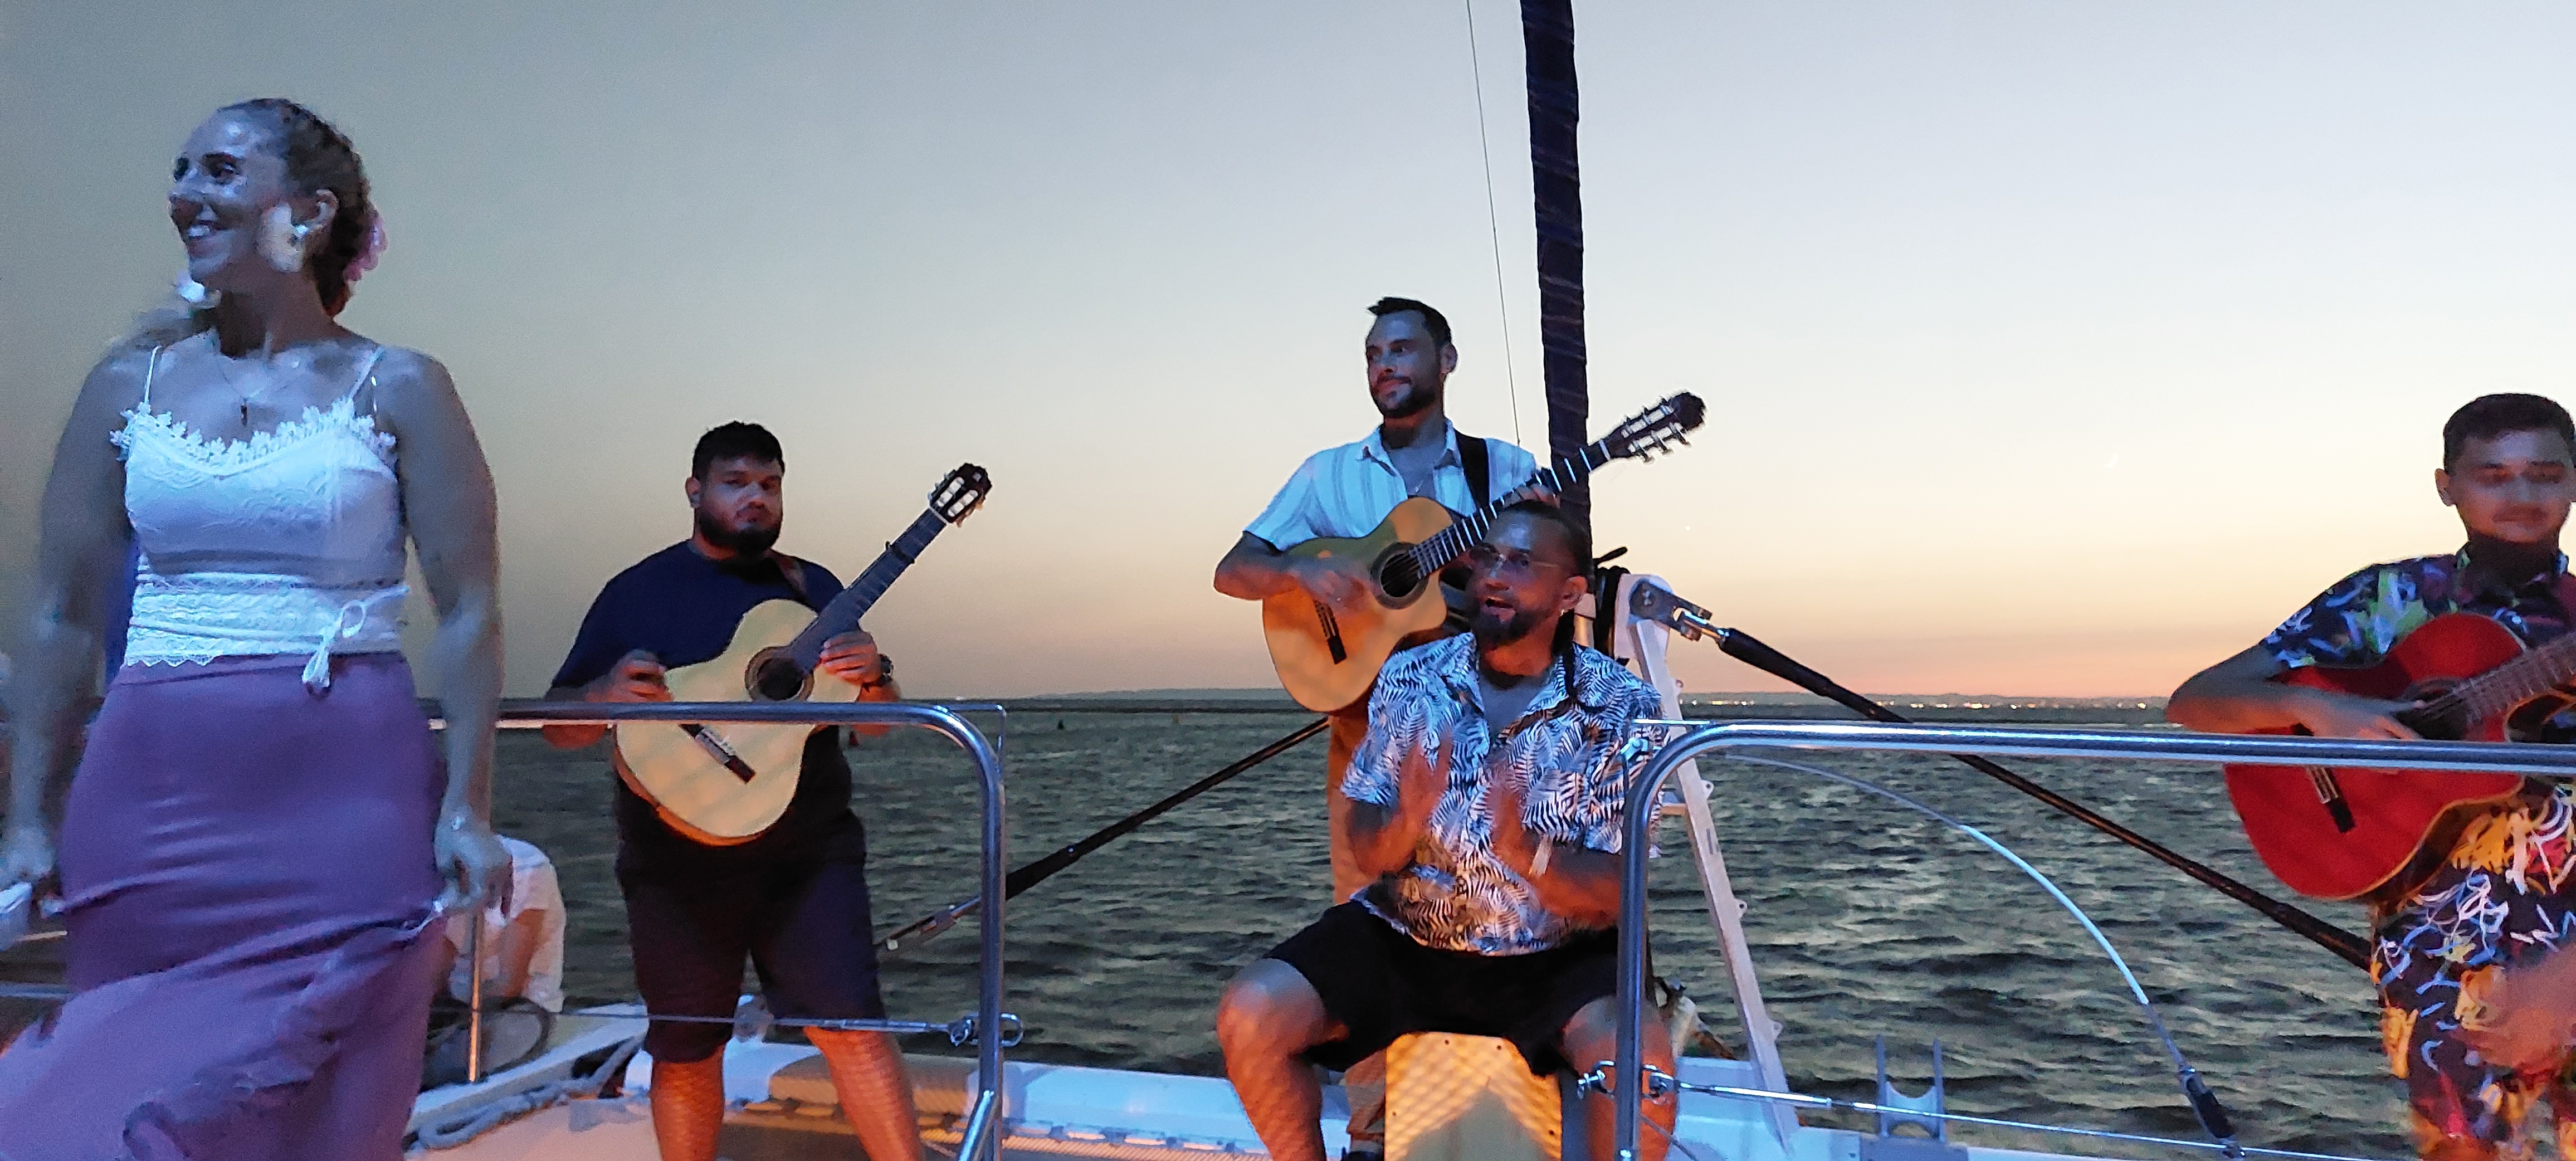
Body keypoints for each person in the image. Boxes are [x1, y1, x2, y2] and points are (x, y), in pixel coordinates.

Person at [0, 99, 510, 1158]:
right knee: (123, 1084)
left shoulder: (401, 385)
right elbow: (58, 614)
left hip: (345, 799)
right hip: (147, 805)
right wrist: (29, 816)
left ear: (309, 214)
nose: (185, 193)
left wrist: (468, 805)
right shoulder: (125, 385)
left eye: (221, 171)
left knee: (326, 1100)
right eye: (182, 169)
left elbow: (467, 611)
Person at [2169, 393, 2576, 1161]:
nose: (2521, 494)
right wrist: (2319, 710)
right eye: (2492, 475)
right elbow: (2198, 699)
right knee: (2462, 1150)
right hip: (2435, 941)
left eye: (2545, 474)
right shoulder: (2388, 600)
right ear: (2446, 485)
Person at [1216, 501, 1676, 1161]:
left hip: (1550, 957)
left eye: (1521, 562)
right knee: (1251, 1012)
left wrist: (1528, 853)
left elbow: (1613, 893)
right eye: (1487, 557)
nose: (1493, 575)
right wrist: (1403, 820)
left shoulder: (1621, 706)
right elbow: (1366, 847)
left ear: (1569, 592)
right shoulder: (1411, 675)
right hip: (1406, 939)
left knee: (1640, 1071)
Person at [1213, 297, 1540, 1157]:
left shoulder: (1504, 468)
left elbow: (1547, 581)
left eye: (1401, 348)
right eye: (1372, 353)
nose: (1385, 364)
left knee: (1499, 917)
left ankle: (1488, 1126)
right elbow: (1233, 570)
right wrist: (1300, 571)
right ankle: (1371, 1133)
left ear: (1446, 360)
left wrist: (1503, 558)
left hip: (1488, 738)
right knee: (1368, 923)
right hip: (1367, 737)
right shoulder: (1328, 475)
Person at [544, 422, 920, 1161]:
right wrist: (601, 696)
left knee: (854, 1030)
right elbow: (559, 729)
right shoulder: (636, 592)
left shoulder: (814, 589)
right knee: (688, 1048)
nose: (756, 498)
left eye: (770, 485)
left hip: (809, 854)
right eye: (736, 483)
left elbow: (877, 724)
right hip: (674, 862)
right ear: (695, 491)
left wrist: (878, 676)